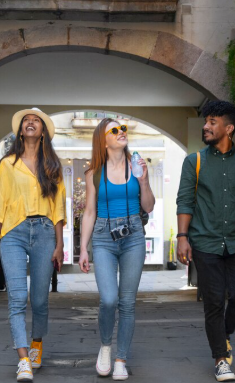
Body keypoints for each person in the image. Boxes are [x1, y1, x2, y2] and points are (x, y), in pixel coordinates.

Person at [175, 101, 235, 382]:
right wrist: (183, 237)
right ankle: (220, 358)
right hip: (205, 243)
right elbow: (185, 201)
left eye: (212, 122)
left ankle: (223, 333)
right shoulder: (195, 161)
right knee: (214, 301)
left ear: (228, 129)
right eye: (206, 121)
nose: (206, 126)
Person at [0, 108, 66, 381]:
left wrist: (60, 244)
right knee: (17, 298)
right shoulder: (7, 164)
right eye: (26, 121)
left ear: (43, 131)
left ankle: (36, 343)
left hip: (45, 233)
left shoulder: (53, 166)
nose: (31, 123)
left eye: (37, 121)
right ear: (21, 131)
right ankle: (23, 359)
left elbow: (58, 208)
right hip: (13, 232)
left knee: (39, 299)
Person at [78, 119, 156, 380]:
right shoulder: (93, 173)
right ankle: (105, 346)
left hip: (133, 235)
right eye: (114, 130)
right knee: (109, 299)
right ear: (103, 139)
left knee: (127, 303)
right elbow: (89, 212)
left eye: (123, 128)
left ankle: (121, 359)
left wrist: (143, 181)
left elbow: (148, 206)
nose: (121, 132)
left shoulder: (136, 166)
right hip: (103, 237)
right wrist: (83, 248)